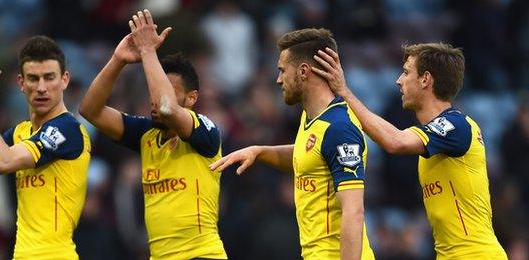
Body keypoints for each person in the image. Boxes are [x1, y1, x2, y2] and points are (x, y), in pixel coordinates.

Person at [312, 43, 507, 259]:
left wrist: (344, 92)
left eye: (406, 72)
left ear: (425, 79)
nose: (398, 80)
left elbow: (394, 141)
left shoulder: (457, 126)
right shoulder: (435, 140)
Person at [210, 28, 374, 260]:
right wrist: (259, 151)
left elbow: (354, 212)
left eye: (282, 70)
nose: (278, 80)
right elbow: (309, 157)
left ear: (304, 71)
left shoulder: (340, 128)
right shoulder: (312, 119)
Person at [79, 10, 227, 259]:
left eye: (167, 89)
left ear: (191, 98)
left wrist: (148, 51)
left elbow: (167, 108)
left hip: (201, 255)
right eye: (154, 87)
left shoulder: (205, 130)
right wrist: (118, 60)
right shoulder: (146, 135)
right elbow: (90, 110)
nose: (154, 97)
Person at [0, 36, 91, 259]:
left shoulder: (68, 129)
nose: (41, 87)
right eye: (33, 78)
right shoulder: (19, 134)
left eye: (49, 77)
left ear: (64, 80)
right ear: (21, 83)